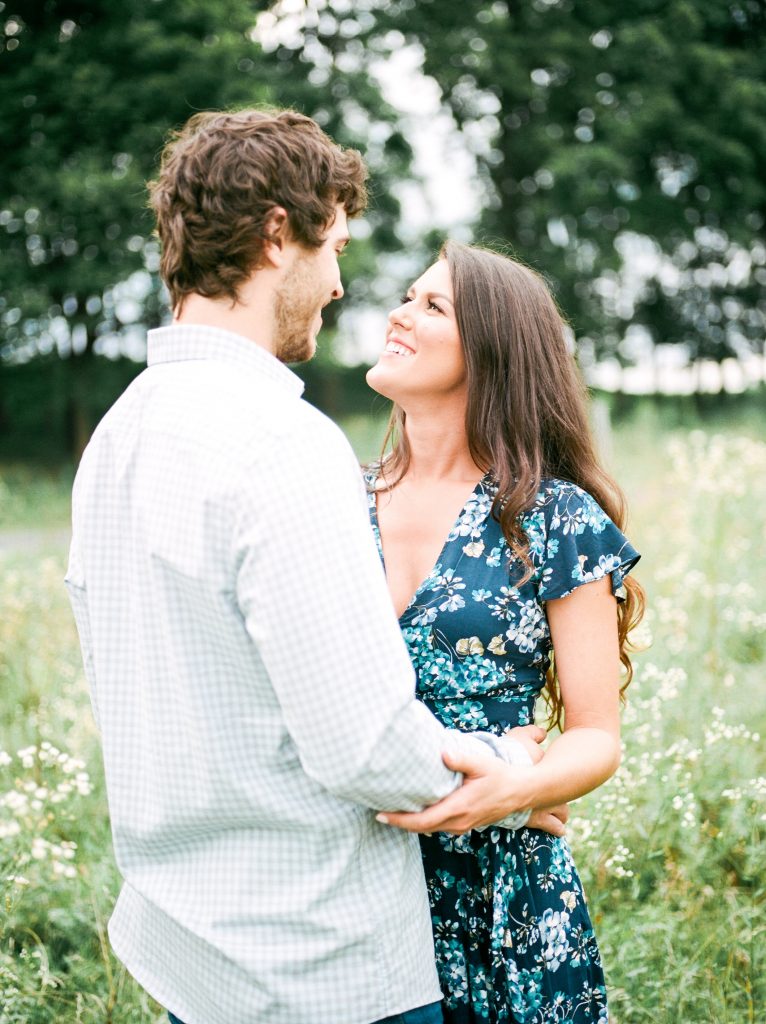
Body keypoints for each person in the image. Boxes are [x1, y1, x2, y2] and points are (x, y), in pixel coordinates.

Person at [64, 109, 565, 1024]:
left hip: (190, 955)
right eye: (333, 245)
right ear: (275, 234)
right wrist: (509, 772)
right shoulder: (283, 444)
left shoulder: (117, 437)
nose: (339, 284)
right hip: (319, 965)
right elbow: (366, 746)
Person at [365, 241, 644, 1023]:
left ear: (489, 349)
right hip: (358, 878)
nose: (399, 313)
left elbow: (596, 735)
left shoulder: (554, 518)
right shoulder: (332, 500)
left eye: (432, 305)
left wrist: (517, 790)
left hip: (505, 897)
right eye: (406, 296)